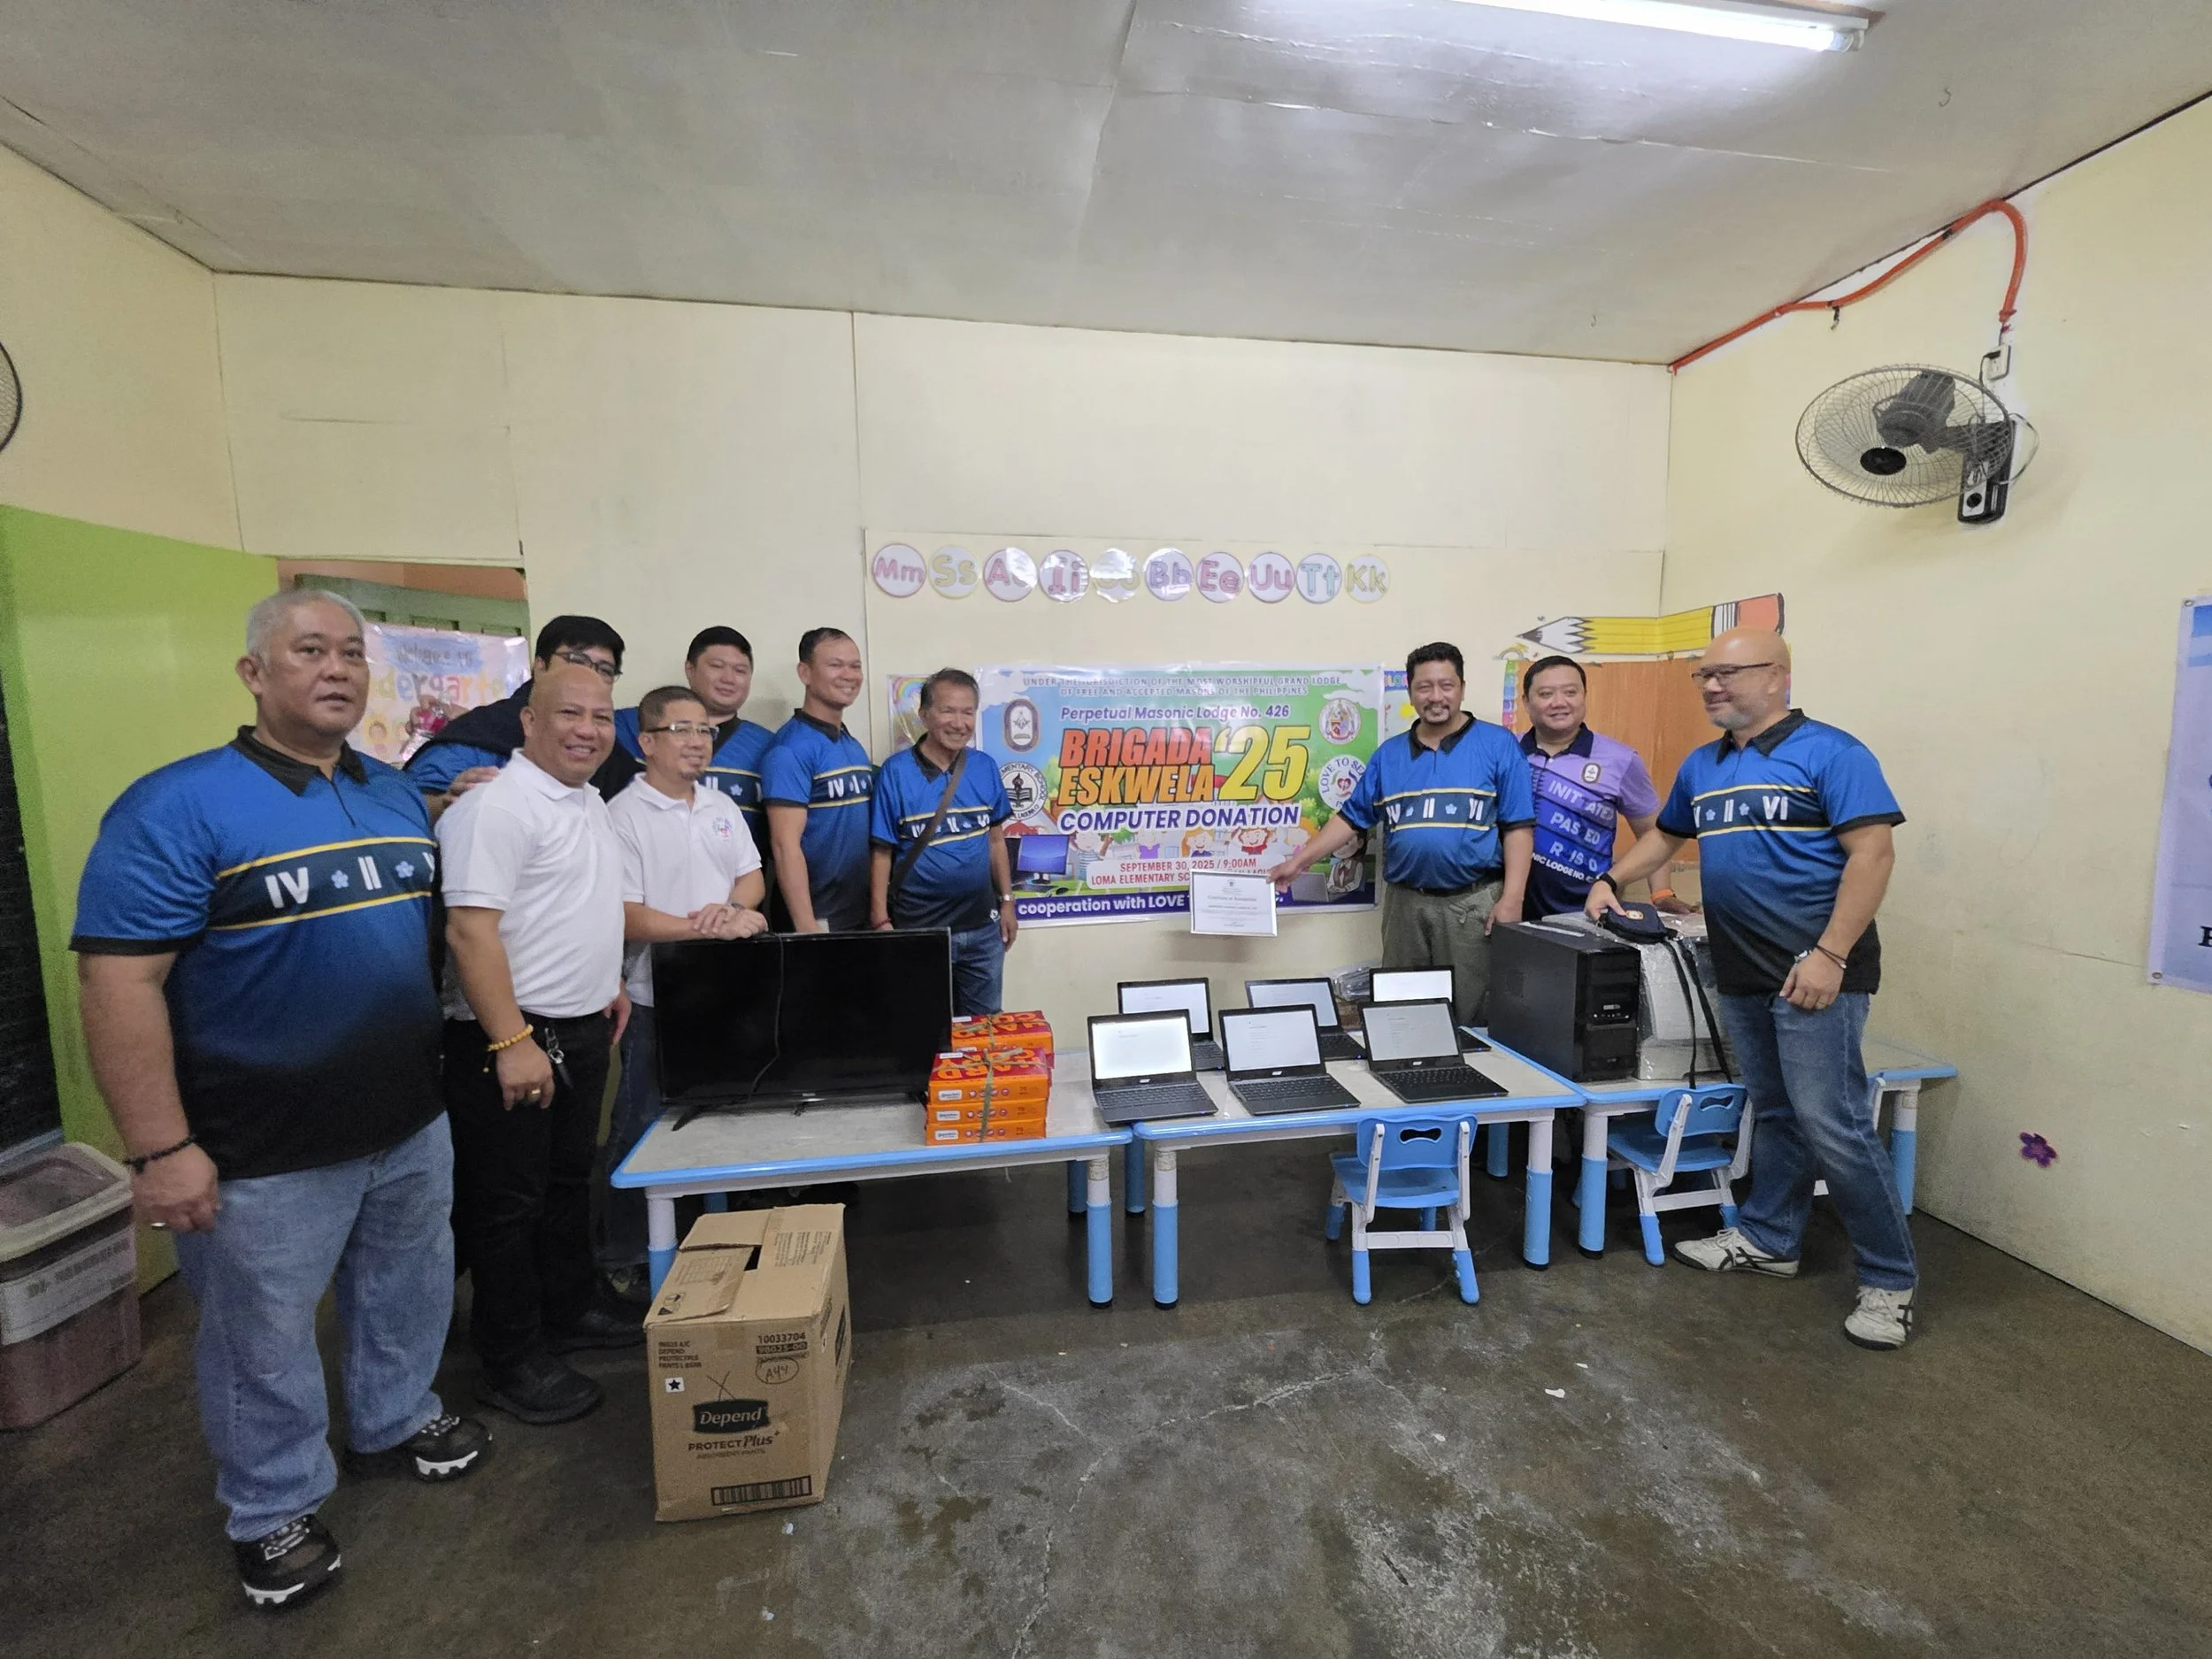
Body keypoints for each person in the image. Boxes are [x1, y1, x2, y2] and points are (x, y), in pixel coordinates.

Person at [71, 589, 488, 1611]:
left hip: (404, 1118)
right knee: (257, 1340)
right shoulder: (175, 806)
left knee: (406, 1291)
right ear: (256, 673)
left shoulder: (392, 796)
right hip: (259, 1146)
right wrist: (160, 1148)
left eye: (351, 652)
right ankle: (273, 1506)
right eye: (309, 651)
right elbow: (118, 982)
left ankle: (395, 1417)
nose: (336, 669)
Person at [1588, 626, 1915, 1349]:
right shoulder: (1705, 766)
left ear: (1779, 676)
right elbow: (1667, 839)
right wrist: (1612, 877)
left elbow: (1874, 853)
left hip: (1818, 970)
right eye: (1705, 675)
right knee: (1774, 1112)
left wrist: (1830, 953)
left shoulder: (1833, 752)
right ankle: (1771, 1238)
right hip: (1741, 968)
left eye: (1728, 674)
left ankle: (1890, 1279)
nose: (1712, 686)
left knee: (1836, 1123)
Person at [437, 664, 638, 1425]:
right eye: (569, 713)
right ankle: (509, 1356)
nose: (588, 728)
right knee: (506, 1204)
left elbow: (573, 905)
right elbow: (469, 930)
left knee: (563, 1186)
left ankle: (571, 1309)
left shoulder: (585, 800)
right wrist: (513, 1040)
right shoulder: (496, 807)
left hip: (582, 1023)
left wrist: (607, 979)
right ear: (528, 720)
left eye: (601, 715)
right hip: (515, 1036)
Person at [1267, 642, 1533, 1028]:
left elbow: (1518, 828)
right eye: (1425, 687)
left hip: (1473, 903)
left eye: (1446, 685)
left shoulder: (1497, 745)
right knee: (1402, 1011)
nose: (1436, 696)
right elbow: (1351, 818)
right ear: (1410, 691)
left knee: (1473, 1014)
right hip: (1405, 906)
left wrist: (1512, 898)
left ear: (1462, 687)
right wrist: (1299, 861)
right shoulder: (1389, 755)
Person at [603, 684, 768, 1286]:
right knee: (642, 1126)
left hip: (726, 994)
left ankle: (714, 1243)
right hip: (655, 1000)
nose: (698, 741)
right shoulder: (621, 815)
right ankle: (624, 1257)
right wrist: (706, 926)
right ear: (646, 741)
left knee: (725, 1121)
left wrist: (728, 910)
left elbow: (751, 878)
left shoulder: (720, 805)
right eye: (682, 730)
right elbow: (623, 913)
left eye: (705, 731)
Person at [869, 668, 1018, 1016]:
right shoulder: (895, 772)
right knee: (923, 1031)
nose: (959, 722)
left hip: (983, 930)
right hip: (920, 933)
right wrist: (880, 920)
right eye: (948, 711)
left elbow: (996, 840)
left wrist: (1008, 902)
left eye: (967, 712)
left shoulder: (984, 767)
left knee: (983, 1033)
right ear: (924, 715)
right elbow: (882, 851)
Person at [405, 615, 636, 809]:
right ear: (540, 666)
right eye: (577, 661)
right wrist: (446, 803)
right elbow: (411, 804)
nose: (590, 675)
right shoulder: (485, 731)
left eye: (605, 669)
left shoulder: (611, 742)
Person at [1516, 654, 1678, 919]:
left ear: (1584, 696)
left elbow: (1654, 833)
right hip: (1509, 906)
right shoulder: (1505, 751)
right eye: (1545, 694)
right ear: (1526, 702)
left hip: (1586, 909)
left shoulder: (1621, 760)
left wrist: (1661, 893)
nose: (1559, 703)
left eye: (1570, 692)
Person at [611, 626, 775, 849]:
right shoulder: (631, 725)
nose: (729, 678)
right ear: (690, 669)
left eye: (740, 670)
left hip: (734, 876)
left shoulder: (768, 745)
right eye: (717, 666)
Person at [761, 627, 874, 933]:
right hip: (818, 921)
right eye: (836, 665)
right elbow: (784, 845)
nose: (849, 675)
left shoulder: (851, 744)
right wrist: (806, 927)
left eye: (856, 666)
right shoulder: (789, 749)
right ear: (805, 672)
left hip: (858, 915)